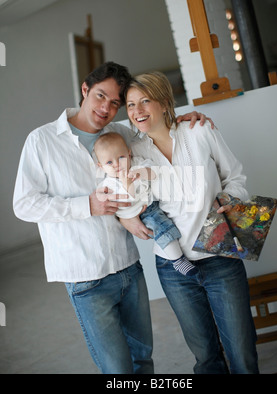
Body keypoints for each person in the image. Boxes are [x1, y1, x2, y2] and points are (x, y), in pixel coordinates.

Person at [13, 61, 212, 374]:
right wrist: (87, 206)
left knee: (143, 360)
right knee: (116, 369)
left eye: (115, 103)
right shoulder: (42, 141)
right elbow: (24, 205)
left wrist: (185, 120)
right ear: (85, 90)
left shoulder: (120, 133)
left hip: (129, 267)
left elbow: (156, 131)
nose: (106, 107)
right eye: (100, 96)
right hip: (84, 275)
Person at [120, 71, 259, 374]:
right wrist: (125, 214)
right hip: (173, 269)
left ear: (165, 102)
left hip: (220, 254)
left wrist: (230, 199)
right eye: (130, 105)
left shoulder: (199, 131)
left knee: (242, 352)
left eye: (145, 101)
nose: (137, 111)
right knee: (205, 356)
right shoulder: (133, 151)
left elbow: (235, 177)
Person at [94, 132, 197, 276]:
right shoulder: (108, 184)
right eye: (109, 163)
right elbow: (127, 200)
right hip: (139, 213)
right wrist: (127, 183)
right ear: (101, 166)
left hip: (151, 204)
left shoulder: (137, 164)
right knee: (162, 228)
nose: (117, 165)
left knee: (172, 220)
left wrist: (142, 173)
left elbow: (154, 173)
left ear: (129, 154)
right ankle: (178, 260)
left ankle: (182, 253)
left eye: (121, 157)